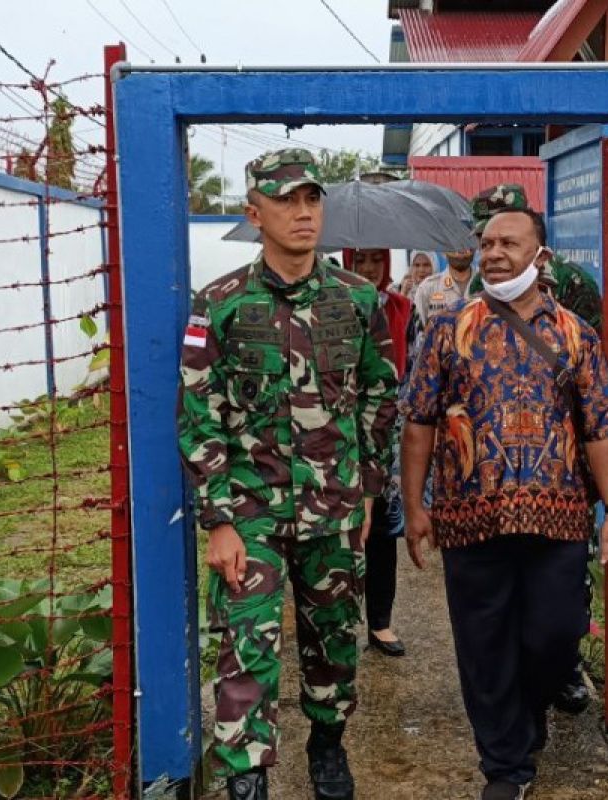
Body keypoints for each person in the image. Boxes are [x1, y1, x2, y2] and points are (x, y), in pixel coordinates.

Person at [178, 148, 398, 800]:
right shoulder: (218, 304)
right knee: (246, 647)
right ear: (255, 213)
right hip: (249, 514)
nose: (303, 213)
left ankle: (328, 743)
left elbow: (379, 399)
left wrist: (363, 495)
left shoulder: (359, 302)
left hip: (333, 511)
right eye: (285, 201)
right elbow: (198, 413)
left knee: (334, 641)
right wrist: (218, 518)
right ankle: (246, 776)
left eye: (311, 199)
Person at [400, 207, 608, 800]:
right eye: (488, 242)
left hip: (558, 523)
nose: (494, 252)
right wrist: (414, 505)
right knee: (483, 647)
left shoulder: (575, 334)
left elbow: (602, 425)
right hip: (469, 521)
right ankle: (506, 768)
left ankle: (528, 717)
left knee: (554, 637)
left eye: (510, 242)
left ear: (540, 255)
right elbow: (419, 422)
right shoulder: (449, 330)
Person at [465, 182, 604, 714]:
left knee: (565, 578)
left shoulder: (573, 284)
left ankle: (562, 667)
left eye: (504, 229)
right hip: (498, 460)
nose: (494, 246)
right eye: (485, 232)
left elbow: (596, 356)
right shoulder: (481, 290)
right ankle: (517, 688)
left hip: (562, 453)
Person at [345, 248, 412, 657]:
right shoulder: (332, 301)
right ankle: (338, 624)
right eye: (359, 261)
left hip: (386, 424)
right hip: (336, 428)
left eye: (375, 260)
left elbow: (410, 365)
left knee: (384, 530)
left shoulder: (401, 306)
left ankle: (381, 623)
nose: (368, 269)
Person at [466, 184, 602, 331]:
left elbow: (593, 342)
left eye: (508, 241)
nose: (494, 252)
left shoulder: (573, 282)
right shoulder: (481, 283)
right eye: (485, 240)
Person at [412, 246, 476, 330]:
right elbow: (418, 334)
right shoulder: (427, 288)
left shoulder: (487, 285)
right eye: (454, 244)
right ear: (443, 252)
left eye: (465, 244)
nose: (460, 251)